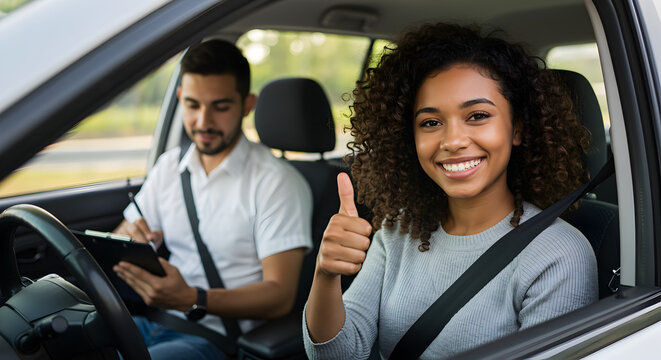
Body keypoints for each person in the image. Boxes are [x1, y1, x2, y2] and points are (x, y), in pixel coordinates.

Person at [303, 23, 598, 359]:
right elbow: (338, 355)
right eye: (431, 122)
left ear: (516, 128)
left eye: (477, 115)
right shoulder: (398, 230)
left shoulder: (558, 254)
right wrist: (325, 275)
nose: (453, 141)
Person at [112, 39, 313, 360]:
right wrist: (132, 239)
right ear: (180, 99)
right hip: (152, 319)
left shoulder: (276, 182)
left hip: (216, 339)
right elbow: (124, 231)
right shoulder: (169, 167)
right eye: (192, 105)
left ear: (247, 105)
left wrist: (192, 297)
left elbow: (280, 296)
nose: (203, 121)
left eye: (220, 107)